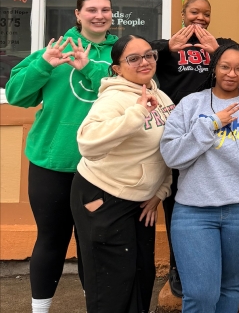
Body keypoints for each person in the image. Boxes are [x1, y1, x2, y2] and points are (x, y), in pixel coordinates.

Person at [5, 0, 117, 313]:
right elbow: (16, 95)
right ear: (78, 14)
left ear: (112, 14)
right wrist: (43, 65)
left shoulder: (120, 54)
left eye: (105, 9)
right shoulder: (54, 51)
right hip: (51, 165)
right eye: (92, 9)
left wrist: (89, 68)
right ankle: (40, 309)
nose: (99, 15)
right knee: (51, 241)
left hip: (101, 168)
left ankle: (94, 305)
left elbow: (130, 87)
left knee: (92, 245)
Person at [161, 42, 239, 313]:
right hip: (194, 212)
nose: (231, 73)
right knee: (200, 294)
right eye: (225, 66)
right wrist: (212, 123)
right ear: (214, 68)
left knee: (230, 288)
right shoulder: (191, 104)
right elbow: (171, 156)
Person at [71, 35, 172, 313]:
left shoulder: (161, 96)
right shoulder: (114, 98)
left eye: (149, 55)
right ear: (117, 68)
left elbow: (166, 152)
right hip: (103, 196)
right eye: (133, 58)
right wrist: (137, 112)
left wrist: (159, 194)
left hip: (139, 201)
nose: (144, 62)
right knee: (111, 283)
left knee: (141, 276)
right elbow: (87, 142)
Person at [151, 0, 232, 298]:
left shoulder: (219, 44)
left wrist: (216, 51)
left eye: (206, 13)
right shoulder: (166, 47)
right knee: (176, 203)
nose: (201, 18)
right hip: (179, 132)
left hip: (215, 129)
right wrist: (166, 49)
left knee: (213, 193)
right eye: (194, 12)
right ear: (183, 15)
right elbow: (137, 57)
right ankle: (178, 266)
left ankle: (214, 264)